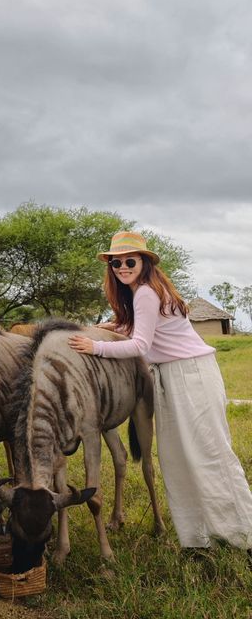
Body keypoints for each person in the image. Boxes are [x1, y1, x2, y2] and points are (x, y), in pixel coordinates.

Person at [68, 230, 252, 555]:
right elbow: (147, 330)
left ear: (144, 262)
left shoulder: (146, 293)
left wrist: (94, 346)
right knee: (175, 457)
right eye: (115, 263)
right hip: (169, 374)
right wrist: (115, 327)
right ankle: (196, 540)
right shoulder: (142, 292)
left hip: (190, 373)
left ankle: (244, 535)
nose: (122, 267)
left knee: (210, 453)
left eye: (129, 261)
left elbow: (142, 344)